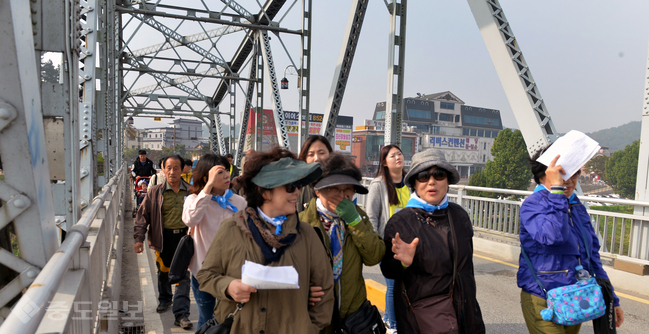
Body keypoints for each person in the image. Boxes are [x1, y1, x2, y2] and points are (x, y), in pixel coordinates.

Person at [196, 147, 335, 333]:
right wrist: (228, 287)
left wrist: (309, 328)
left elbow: (324, 291)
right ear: (265, 191)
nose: (297, 193)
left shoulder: (307, 234)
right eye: (290, 186)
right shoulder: (231, 229)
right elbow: (205, 275)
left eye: (299, 186)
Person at [518, 147, 624, 334]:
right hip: (543, 296)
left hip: (576, 296)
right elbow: (552, 237)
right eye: (561, 174)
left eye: (573, 174)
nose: (568, 181)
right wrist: (557, 193)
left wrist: (612, 300)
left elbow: (592, 258)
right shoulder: (533, 204)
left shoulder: (576, 206)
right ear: (544, 175)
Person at [381, 148, 485, 334]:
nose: (431, 181)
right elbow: (388, 269)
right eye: (423, 176)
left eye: (439, 174)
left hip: (467, 313)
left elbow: (466, 267)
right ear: (414, 183)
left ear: (447, 181)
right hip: (426, 320)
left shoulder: (459, 215)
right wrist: (403, 264)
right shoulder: (401, 222)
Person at [299, 153, 385, 333]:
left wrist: (354, 222)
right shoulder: (302, 223)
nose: (342, 195)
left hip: (354, 316)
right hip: (316, 316)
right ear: (318, 190)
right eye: (334, 188)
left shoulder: (358, 216)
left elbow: (374, 256)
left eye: (348, 189)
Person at [182, 154, 246, 329]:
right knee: (206, 317)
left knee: (230, 318)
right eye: (219, 172)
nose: (226, 175)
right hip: (203, 272)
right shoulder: (194, 201)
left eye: (226, 170)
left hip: (233, 273)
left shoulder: (238, 202)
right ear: (206, 176)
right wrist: (208, 189)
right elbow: (190, 220)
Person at [134, 155, 193, 330]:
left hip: (185, 239)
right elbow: (142, 215)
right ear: (163, 169)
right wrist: (139, 239)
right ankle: (165, 299)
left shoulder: (191, 191)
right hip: (163, 237)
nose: (172, 171)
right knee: (163, 272)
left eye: (176, 168)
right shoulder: (155, 192)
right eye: (169, 168)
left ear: (182, 169)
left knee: (183, 276)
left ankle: (181, 314)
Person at [366, 145, 409, 332]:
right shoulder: (378, 185)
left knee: (404, 285)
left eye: (399, 154)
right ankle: (392, 325)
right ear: (384, 162)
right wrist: (377, 244)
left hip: (409, 245)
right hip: (388, 245)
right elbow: (372, 217)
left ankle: (390, 317)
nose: (398, 157)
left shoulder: (411, 182)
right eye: (393, 156)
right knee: (393, 285)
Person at [296, 135, 333, 213]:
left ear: (330, 155)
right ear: (304, 159)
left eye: (321, 153)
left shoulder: (339, 183)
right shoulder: (296, 186)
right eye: (311, 155)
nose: (316, 158)